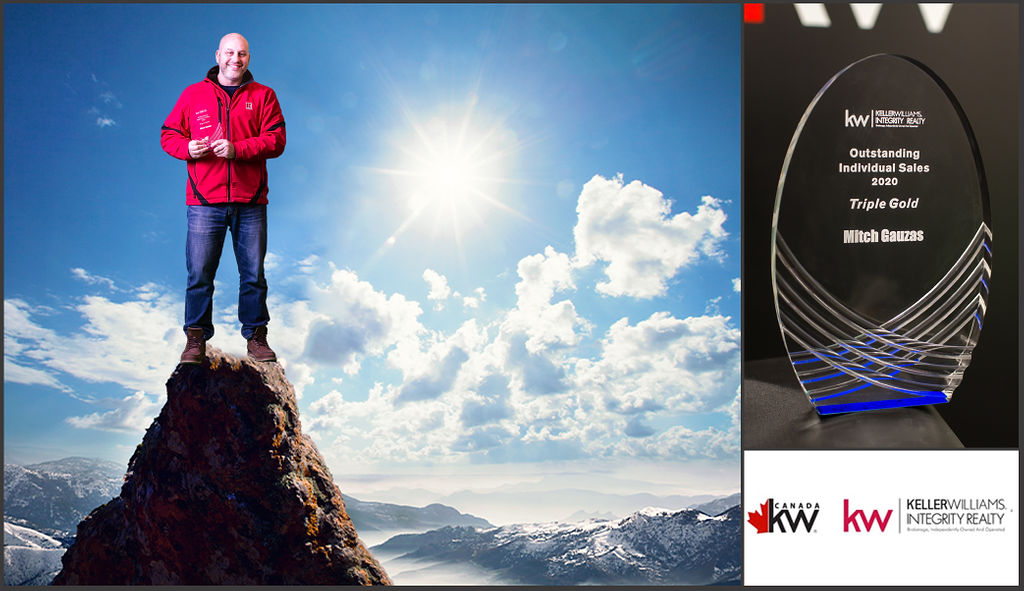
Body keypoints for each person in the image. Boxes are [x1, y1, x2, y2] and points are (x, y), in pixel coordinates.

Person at [161, 33, 286, 364]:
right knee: (199, 274)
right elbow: (169, 134)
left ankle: (256, 337)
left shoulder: (264, 96)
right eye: (230, 52)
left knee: (253, 274)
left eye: (242, 53)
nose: (236, 59)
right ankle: (195, 339)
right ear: (218, 55)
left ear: (249, 58)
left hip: (251, 201)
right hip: (204, 201)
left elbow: (276, 140)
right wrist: (186, 147)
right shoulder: (193, 94)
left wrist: (238, 149)